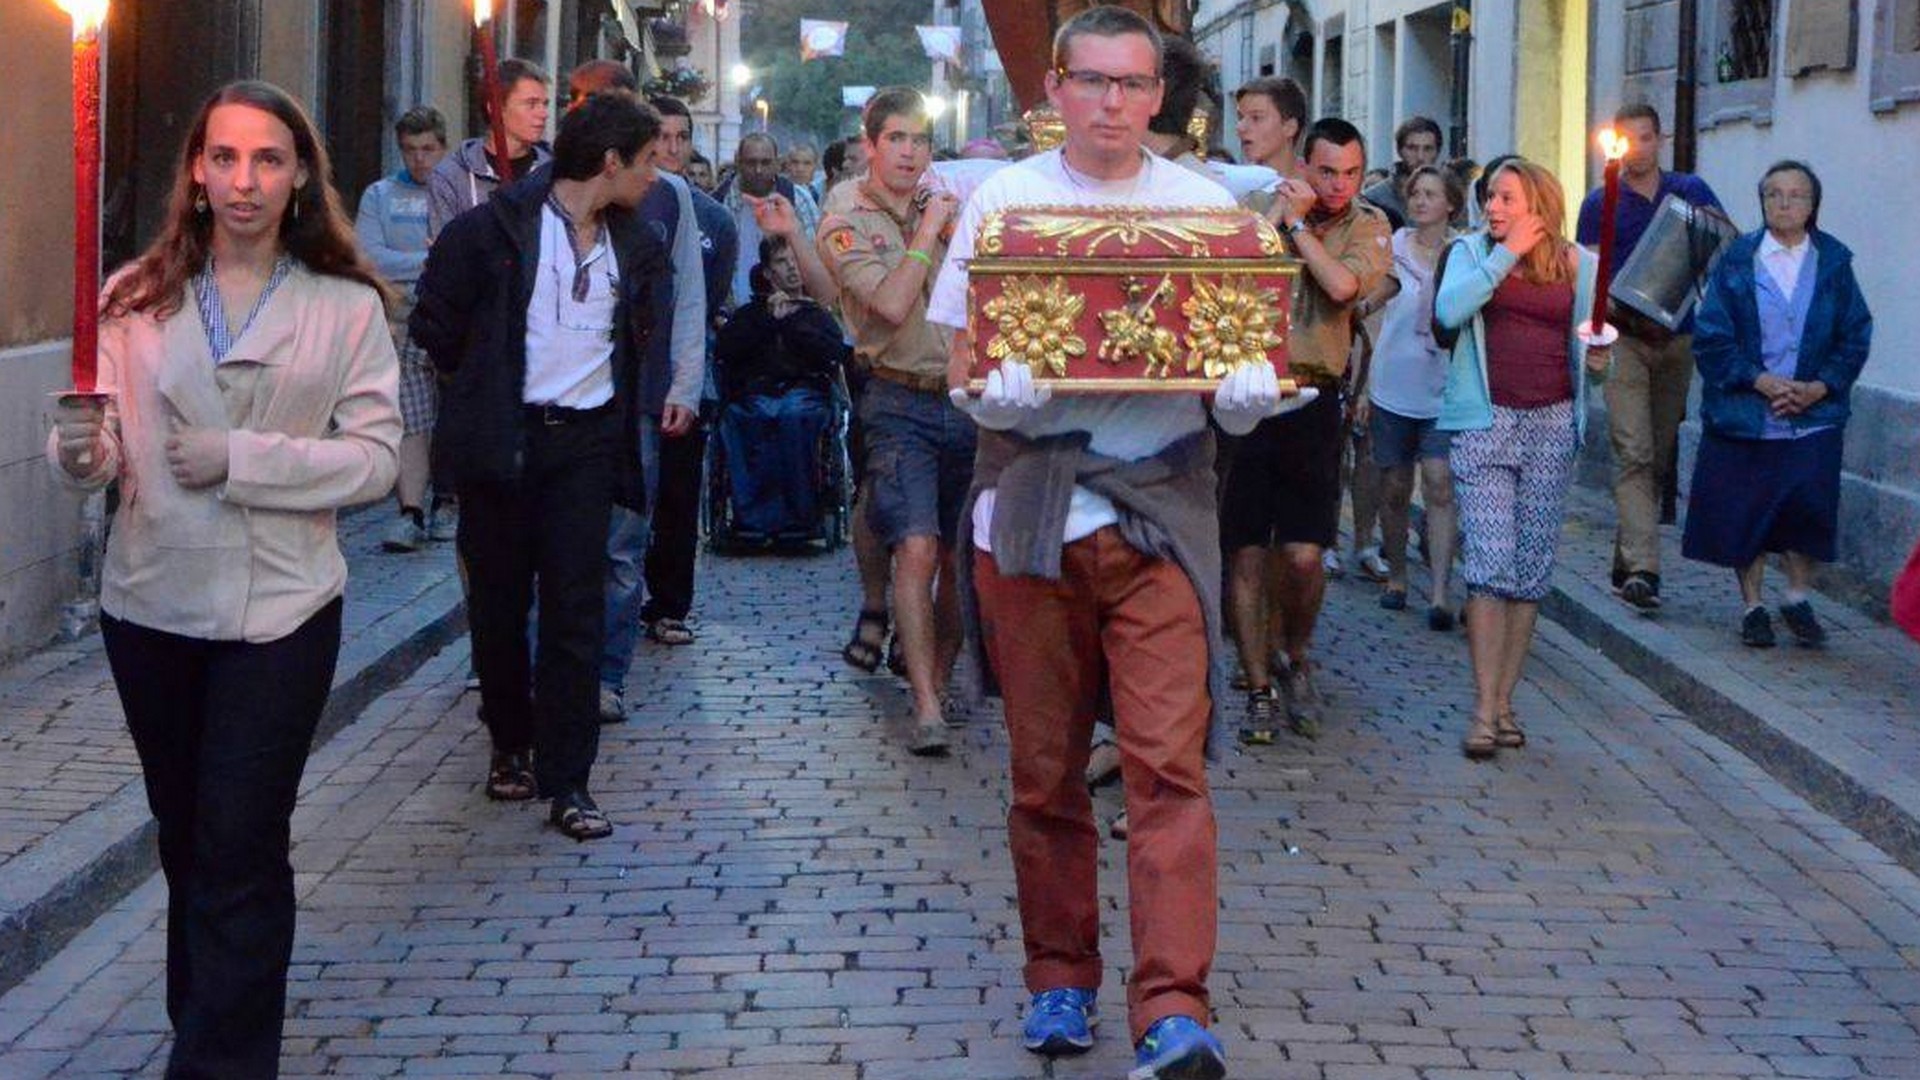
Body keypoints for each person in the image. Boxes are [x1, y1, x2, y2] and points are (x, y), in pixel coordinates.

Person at [928, 7, 1310, 1074]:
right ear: (1055, 89)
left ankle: (1173, 1006)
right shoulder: (1004, 202)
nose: (1109, 103)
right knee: (1044, 770)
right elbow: (962, 360)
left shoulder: (1204, 209)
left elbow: (1244, 356)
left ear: (1159, 97)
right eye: (1090, 82)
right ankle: (1058, 980)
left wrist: (1241, 402)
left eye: (1131, 85)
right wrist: (991, 398)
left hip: (1159, 510)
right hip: (1034, 510)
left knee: (1167, 768)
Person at [47, 80, 400, 1077]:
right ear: (197, 175)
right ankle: (203, 1018)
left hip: (282, 610)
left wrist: (247, 459)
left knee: (241, 840)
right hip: (152, 601)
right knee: (189, 840)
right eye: (227, 158)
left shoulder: (345, 309)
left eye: (269, 160)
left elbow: (375, 460)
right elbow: (97, 451)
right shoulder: (133, 300)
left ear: (299, 178)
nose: (246, 180)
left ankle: (218, 1063)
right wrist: (76, 450)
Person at [410, 93, 668, 841]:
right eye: (647, 160)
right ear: (611, 162)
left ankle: (570, 779)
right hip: (505, 440)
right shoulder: (489, 232)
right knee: (497, 605)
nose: (655, 176)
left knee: (574, 609)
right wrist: (487, 388)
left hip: (585, 445)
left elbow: (639, 336)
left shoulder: (637, 243)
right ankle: (509, 741)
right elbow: (437, 325)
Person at [1434, 158, 1610, 758]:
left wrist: (1597, 364)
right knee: (1488, 566)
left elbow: (1588, 340)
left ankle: (1506, 699)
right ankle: (1482, 710)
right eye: (1490, 198)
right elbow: (1449, 312)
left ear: (1538, 201)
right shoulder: (1470, 254)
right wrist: (1504, 253)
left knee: (1530, 572)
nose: (1494, 207)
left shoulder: (1578, 264)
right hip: (1485, 422)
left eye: (1507, 197)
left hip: (1552, 422)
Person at [1226, 117, 1391, 744]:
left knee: (1300, 555)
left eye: (1351, 172)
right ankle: (1258, 683)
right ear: (1304, 164)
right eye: (1326, 171)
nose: (1339, 184)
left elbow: (1344, 286)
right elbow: (1230, 269)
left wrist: (1298, 229)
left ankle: (1296, 651)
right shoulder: (1256, 203)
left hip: (1314, 397)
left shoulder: (1369, 224)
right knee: (1244, 547)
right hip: (1247, 393)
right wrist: (1278, 215)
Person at [819, 86, 969, 755]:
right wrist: (931, 231)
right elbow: (886, 303)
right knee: (917, 546)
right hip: (896, 395)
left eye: (921, 140)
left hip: (964, 396)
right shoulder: (847, 212)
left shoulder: (947, 206)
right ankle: (926, 704)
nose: (911, 153)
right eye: (898, 139)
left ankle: (933, 670)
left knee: (963, 560)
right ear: (872, 144)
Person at [1683, 160, 1872, 647]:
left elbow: (1853, 334)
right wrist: (1759, 380)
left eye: (1796, 195)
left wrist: (1820, 386)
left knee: (1805, 508)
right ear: (1762, 201)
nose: (1784, 204)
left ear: (1812, 206)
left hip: (1812, 417)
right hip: (1749, 415)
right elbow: (1712, 336)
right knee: (1748, 512)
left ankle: (1796, 594)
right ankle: (1753, 605)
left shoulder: (1833, 262)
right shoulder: (1738, 261)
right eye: (1774, 195)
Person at [584, 79, 707, 724]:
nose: (659, 157)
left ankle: (608, 673)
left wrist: (685, 382)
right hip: (574, 397)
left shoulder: (673, 200)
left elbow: (687, 296)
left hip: (641, 395)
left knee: (623, 543)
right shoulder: (562, 202)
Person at [1575, 103, 1723, 611]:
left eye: (1644, 138)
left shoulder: (1690, 192)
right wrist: (1608, 305)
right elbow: (1589, 272)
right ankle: (1644, 569)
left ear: (1659, 140)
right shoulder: (1600, 203)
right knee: (1633, 450)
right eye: (1627, 139)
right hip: (1626, 341)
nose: (1636, 148)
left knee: (1657, 455)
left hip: (1677, 339)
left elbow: (1723, 245)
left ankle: (1626, 557)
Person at [632, 94, 739, 654]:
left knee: (677, 493)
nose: (672, 147)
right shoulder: (630, 199)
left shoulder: (715, 219)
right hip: (634, 377)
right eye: (662, 136)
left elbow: (708, 295)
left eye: (681, 137)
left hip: (685, 374)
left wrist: (688, 373)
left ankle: (670, 603)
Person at [1358, 164, 1464, 628]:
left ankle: (1440, 592)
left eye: (1431, 194)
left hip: (1443, 388)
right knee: (1395, 486)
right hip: (1393, 384)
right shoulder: (1393, 249)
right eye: (1415, 194)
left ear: (1451, 204)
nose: (1420, 201)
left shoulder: (1464, 253)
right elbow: (1375, 301)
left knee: (1440, 484)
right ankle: (1398, 574)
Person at [359, 105, 450, 553]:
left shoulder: (457, 192)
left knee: (451, 412)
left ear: (443, 147)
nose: (420, 160)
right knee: (411, 416)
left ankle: (448, 500)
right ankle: (410, 509)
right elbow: (371, 257)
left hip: (453, 315)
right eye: (410, 150)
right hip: (401, 319)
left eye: (428, 149)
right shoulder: (380, 196)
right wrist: (432, 259)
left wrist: (415, 264)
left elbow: (463, 253)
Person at [715, 238, 849, 537]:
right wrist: (768, 321)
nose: (791, 267)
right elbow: (727, 351)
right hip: (755, 393)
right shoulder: (750, 314)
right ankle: (751, 518)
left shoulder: (816, 314)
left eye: (795, 260)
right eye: (781, 261)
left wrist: (789, 323)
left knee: (793, 417)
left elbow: (833, 355)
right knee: (747, 419)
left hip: (805, 392)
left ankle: (801, 516)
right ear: (767, 272)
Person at [426, 57, 553, 235]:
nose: (543, 113)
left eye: (545, 104)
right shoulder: (452, 176)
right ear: (495, 107)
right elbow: (446, 252)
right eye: (531, 104)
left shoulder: (555, 171)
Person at [716, 133, 834, 307]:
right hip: (734, 315)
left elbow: (817, 257)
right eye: (751, 162)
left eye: (765, 162)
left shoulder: (798, 198)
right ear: (738, 162)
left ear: (777, 164)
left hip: (791, 311)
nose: (758, 170)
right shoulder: (719, 202)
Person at [1359, 115, 1442, 230]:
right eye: (1412, 148)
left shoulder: (1448, 196)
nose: (1420, 156)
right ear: (1399, 150)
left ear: (1437, 152)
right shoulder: (1373, 198)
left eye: (1428, 149)